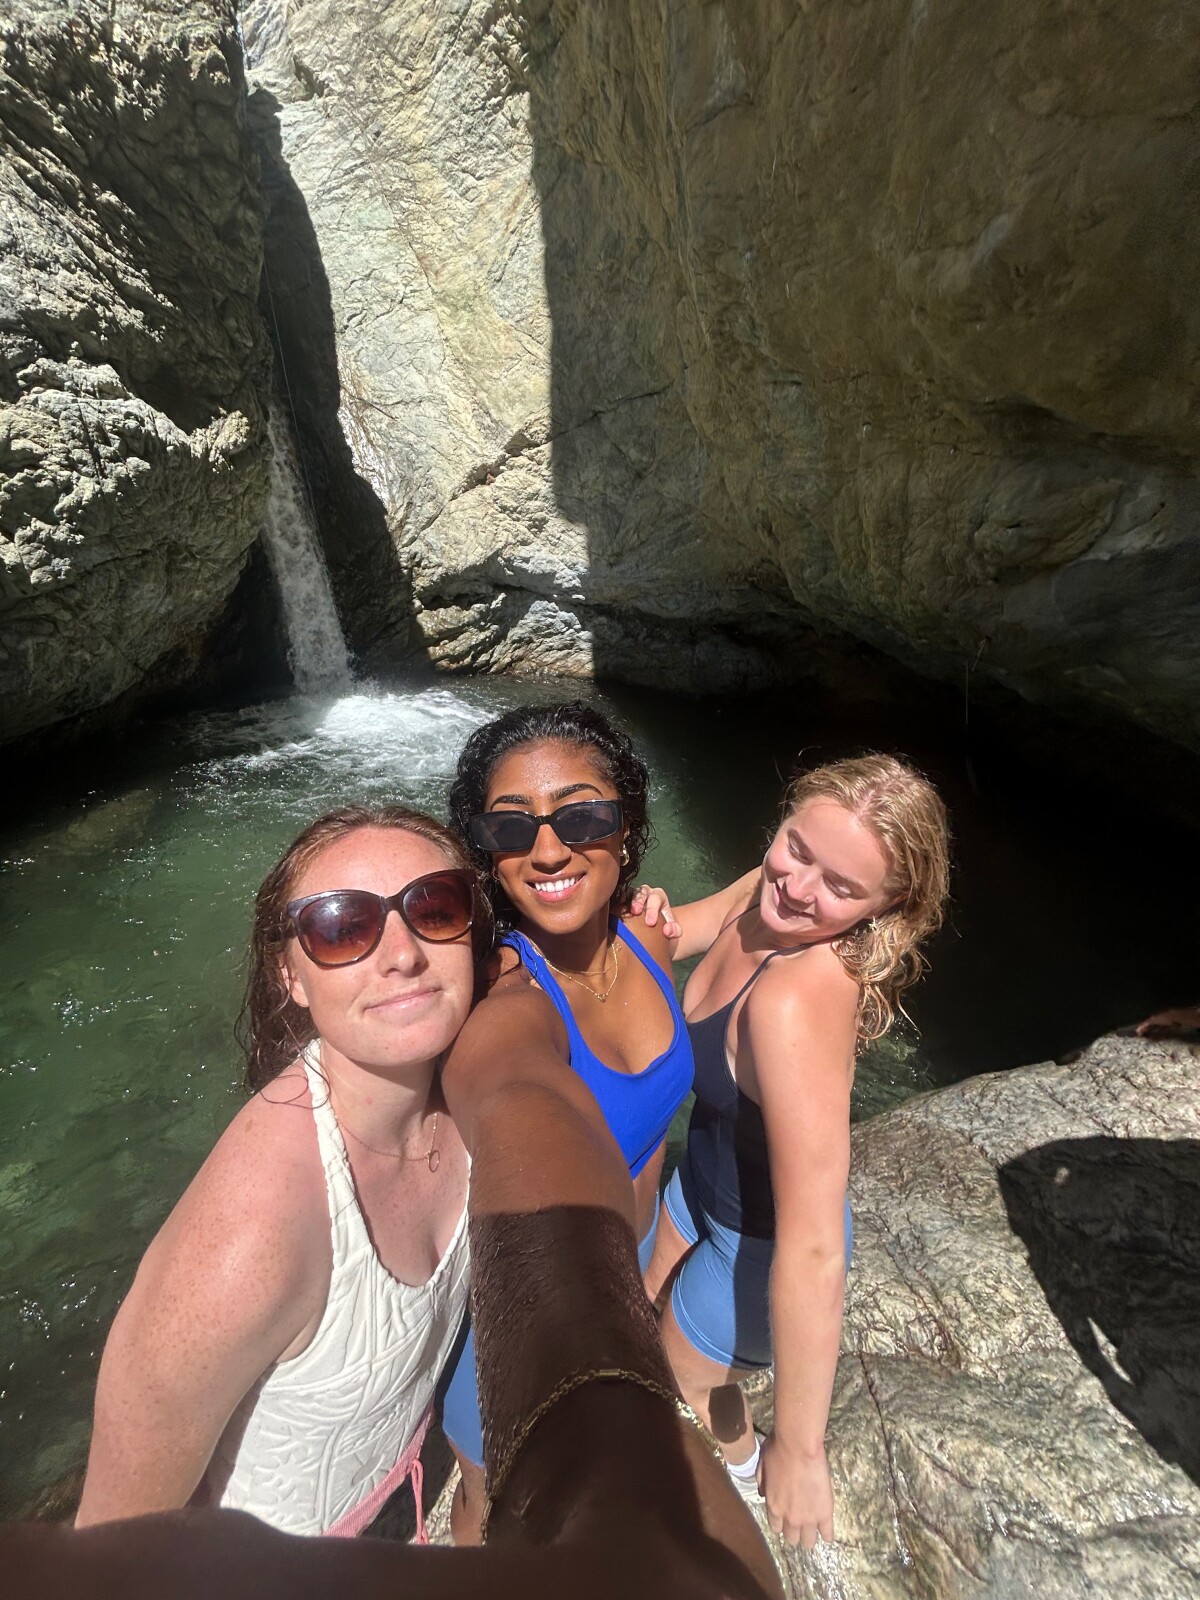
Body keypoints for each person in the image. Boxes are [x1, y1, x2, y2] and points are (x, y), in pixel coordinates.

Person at [76, 805, 486, 1537]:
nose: (403, 954)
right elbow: (110, 1548)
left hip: (399, 1499)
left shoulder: (472, 1089)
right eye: (342, 928)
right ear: (291, 975)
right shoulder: (248, 1237)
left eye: (435, 907)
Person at [640, 754, 950, 1551]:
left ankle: (747, 1480)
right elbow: (671, 935)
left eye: (841, 887)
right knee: (634, 1319)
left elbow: (814, 1243)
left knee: (683, 1390)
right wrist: (643, 912)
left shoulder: (792, 1001)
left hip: (761, 1239)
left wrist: (802, 1450)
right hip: (701, 1181)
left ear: (888, 907)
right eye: (797, 847)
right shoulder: (768, 889)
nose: (799, 886)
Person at [439, 701, 696, 1543]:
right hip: (530, 1339)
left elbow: (748, 905)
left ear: (627, 828)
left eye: (581, 817)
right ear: (487, 853)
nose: (547, 851)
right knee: (491, 1515)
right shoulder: (507, 998)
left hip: (628, 1280)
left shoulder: (646, 938)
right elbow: (509, 1092)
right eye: (511, 829)